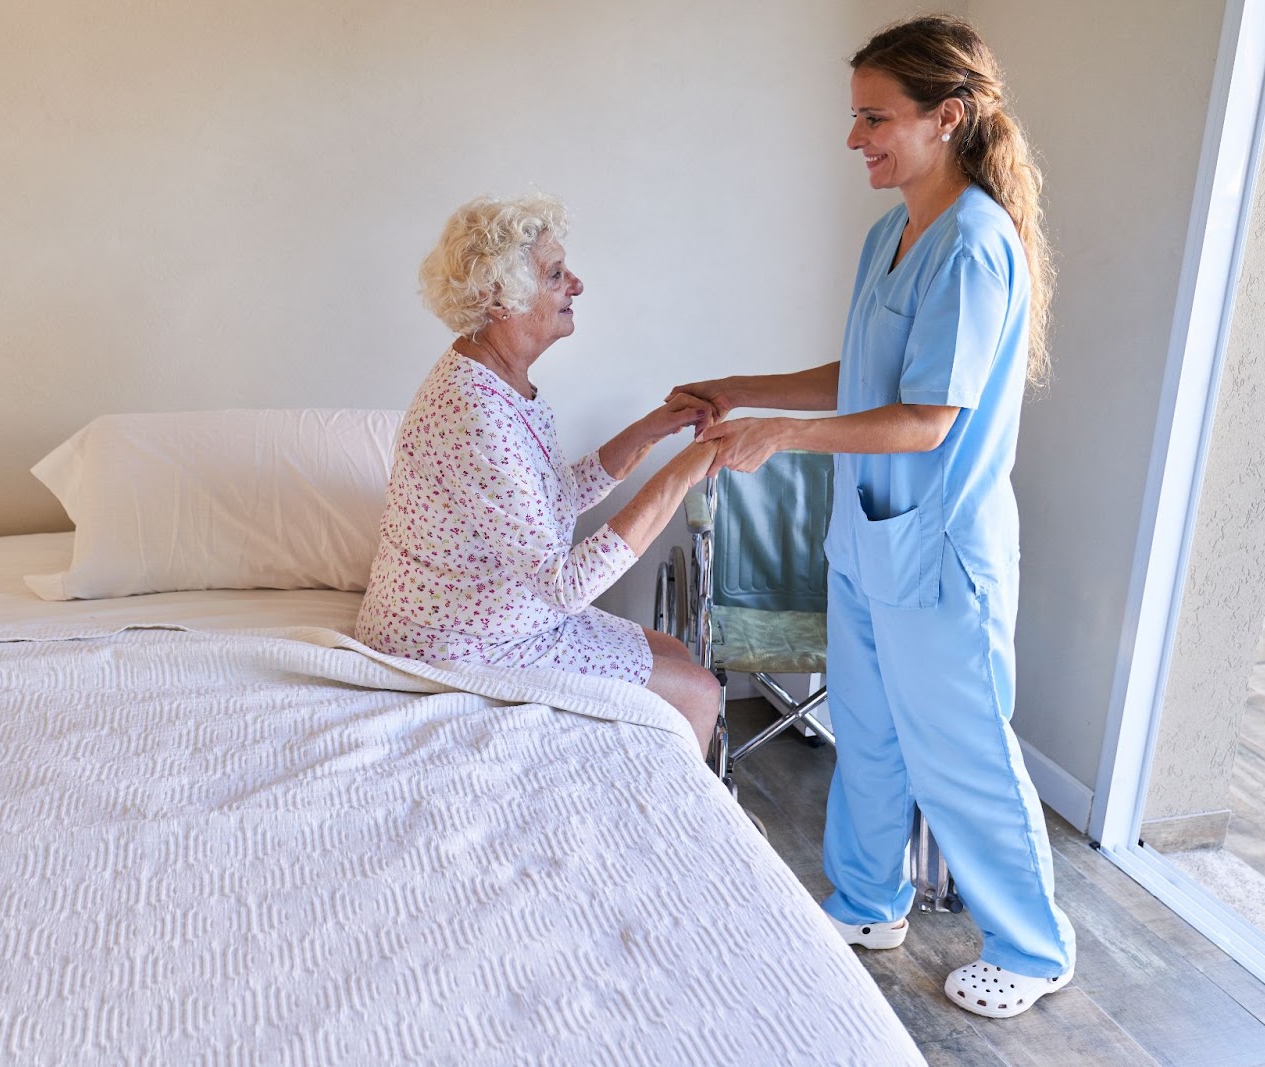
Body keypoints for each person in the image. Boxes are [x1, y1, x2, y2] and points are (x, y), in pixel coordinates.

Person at [672, 15, 1075, 1018]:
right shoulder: (889, 232)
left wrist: (777, 438)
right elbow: (858, 378)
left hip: (938, 555)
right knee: (868, 733)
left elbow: (926, 421)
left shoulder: (975, 246)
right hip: (866, 540)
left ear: (948, 117)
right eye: (853, 116)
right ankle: (866, 900)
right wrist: (739, 387)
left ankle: (1033, 944)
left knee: (963, 752)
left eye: (873, 117)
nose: (855, 137)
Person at [356, 194, 723, 752]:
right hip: (455, 645)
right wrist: (684, 473)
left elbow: (554, 496)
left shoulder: (501, 382)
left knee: (675, 653)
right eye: (556, 274)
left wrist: (653, 428)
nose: (576, 284)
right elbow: (563, 585)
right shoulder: (473, 413)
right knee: (697, 691)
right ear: (499, 300)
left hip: (503, 619)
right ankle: (684, 829)